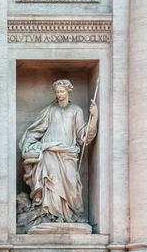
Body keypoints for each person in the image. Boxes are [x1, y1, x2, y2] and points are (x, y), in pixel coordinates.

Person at [19, 78, 97, 225]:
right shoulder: (49, 110)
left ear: (68, 91)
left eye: (62, 91)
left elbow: (84, 136)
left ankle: (72, 214)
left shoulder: (76, 111)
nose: (60, 94)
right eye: (57, 92)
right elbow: (36, 130)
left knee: (72, 183)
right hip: (50, 152)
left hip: (68, 153)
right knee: (51, 182)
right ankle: (51, 215)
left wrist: (94, 117)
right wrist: (29, 144)